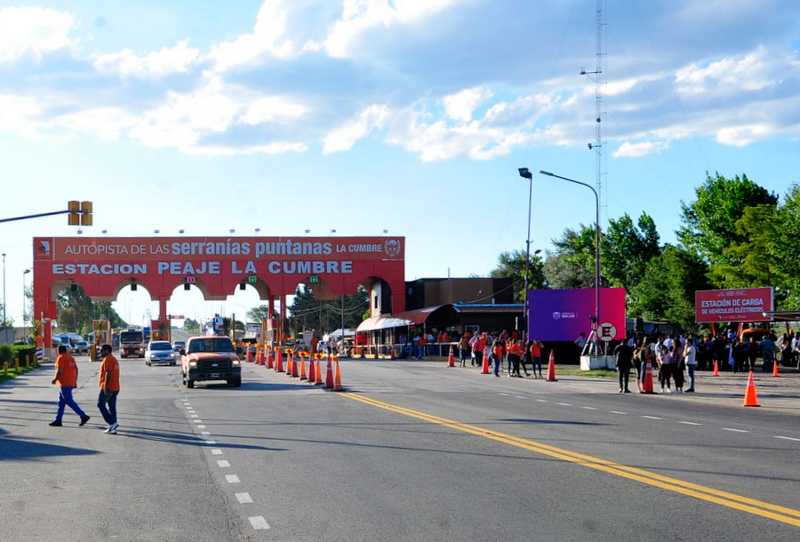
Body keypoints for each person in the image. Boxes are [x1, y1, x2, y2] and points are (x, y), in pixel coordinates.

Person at [49, 345, 91, 427]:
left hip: (64, 383)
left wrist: (54, 379)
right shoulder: (71, 358)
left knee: (68, 400)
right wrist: (75, 381)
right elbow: (76, 370)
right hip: (70, 382)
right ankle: (58, 419)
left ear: (58, 351)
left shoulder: (61, 358)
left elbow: (60, 370)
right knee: (61, 402)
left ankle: (83, 416)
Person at [97, 344, 121, 434]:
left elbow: (108, 373)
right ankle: (113, 427)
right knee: (112, 407)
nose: (100, 351)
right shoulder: (114, 359)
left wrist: (106, 386)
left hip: (109, 387)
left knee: (100, 404)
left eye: (102, 350)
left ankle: (112, 422)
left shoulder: (107, 359)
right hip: (115, 387)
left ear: (107, 350)